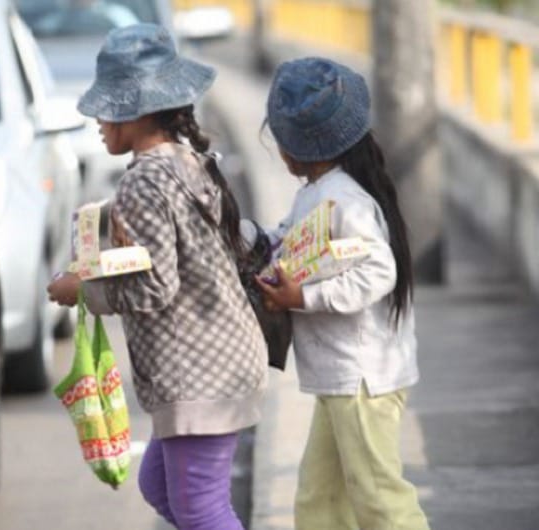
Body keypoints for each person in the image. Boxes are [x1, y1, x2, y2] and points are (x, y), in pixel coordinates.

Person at [46, 24, 268, 530]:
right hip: (224, 360)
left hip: (200, 374)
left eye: (107, 108)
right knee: (160, 487)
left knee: (202, 510)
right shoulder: (187, 162)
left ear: (139, 111)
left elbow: (156, 285)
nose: (98, 120)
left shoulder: (143, 181)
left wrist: (82, 290)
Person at [253, 57, 430, 530]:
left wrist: (302, 298)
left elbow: (379, 271)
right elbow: (282, 239)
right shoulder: (319, 193)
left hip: (362, 380)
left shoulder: (344, 201)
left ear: (295, 147)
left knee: (381, 502)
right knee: (320, 503)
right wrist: (241, 235)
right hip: (342, 381)